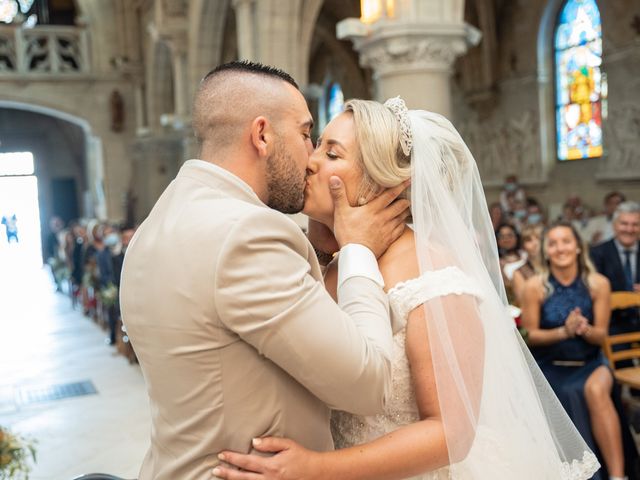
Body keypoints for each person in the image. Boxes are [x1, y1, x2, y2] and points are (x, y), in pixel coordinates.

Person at [212, 98, 599, 479]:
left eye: (333, 154)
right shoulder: (334, 263)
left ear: (384, 182)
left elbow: (451, 433)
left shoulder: (432, 273)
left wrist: (316, 469)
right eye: (318, 146)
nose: (310, 162)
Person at [119, 61, 410, 480]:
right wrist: (360, 248)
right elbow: (369, 384)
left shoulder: (156, 223)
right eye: (307, 133)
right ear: (262, 135)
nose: (310, 157)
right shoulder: (246, 234)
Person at [522, 221, 634, 480]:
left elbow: (601, 336)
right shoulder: (534, 287)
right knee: (559, 392)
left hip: (591, 362)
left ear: (578, 247)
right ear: (545, 251)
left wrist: (583, 329)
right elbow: (530, 335)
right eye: (553, 243)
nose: (560, 248)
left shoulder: (598, 284)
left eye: (566, 241)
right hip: (550, 366)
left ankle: (618, 476)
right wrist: (564, 331)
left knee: (594, 389)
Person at [590, 201, 640, 336]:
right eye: (624, 224)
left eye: (635, 224)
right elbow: (592, 292)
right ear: (614, 225)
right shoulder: (597, 253)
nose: (629, 229)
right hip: (611, 326)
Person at [512, 224, 543, 305]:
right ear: (523, 246)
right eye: (529, 240)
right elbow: (523, 303)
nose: (535, 243)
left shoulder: (554, 266)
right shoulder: (519, 273)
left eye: (538, 238)